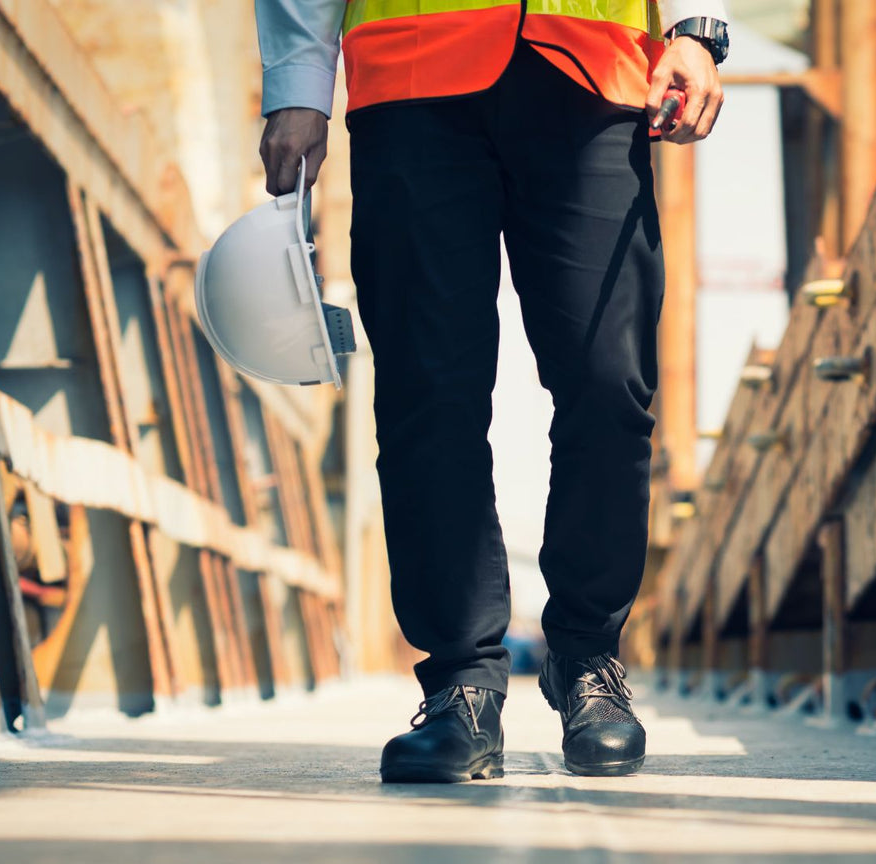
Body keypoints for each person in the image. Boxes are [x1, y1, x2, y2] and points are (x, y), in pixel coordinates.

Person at [255, 0, 728, 783]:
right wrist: (297, 82)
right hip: (412, 74)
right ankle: (462, 686)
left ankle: (586, 660)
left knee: (609, 380)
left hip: (593, 69)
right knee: (428, 392)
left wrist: (695, 27)